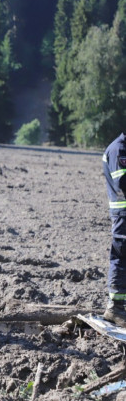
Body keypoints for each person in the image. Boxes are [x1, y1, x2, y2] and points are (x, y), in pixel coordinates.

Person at [102, 132, 126, 327]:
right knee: (121, 257)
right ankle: (115, 309)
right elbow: (122, 183)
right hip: (123, 214)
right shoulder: (119, 149)